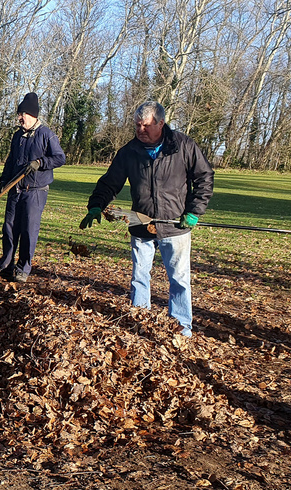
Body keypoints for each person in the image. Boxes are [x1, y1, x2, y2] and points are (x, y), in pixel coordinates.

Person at [80, 100, 213, 337]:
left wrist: (194, 211)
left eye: (146, 126)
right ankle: (139, 320)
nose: (140, 130)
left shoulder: (183, 146)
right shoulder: (129, 151)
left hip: (175, 225)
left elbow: (204, 177)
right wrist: (96, 205)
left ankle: (181, 327)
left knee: (179, 279)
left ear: (160, 124)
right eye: (137, 125)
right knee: (139, 276)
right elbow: (111, 182)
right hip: (141, 223)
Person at [0, 92, 66, 282]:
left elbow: (60, 158)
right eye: (19, 114)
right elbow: (10, 161)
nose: (19, 118)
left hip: (35, 192)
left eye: (22, 114)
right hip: (14, 189)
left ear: (33, 115)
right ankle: (6, 265)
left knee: (29, 231)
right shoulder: (17, 137)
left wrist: (40, 162)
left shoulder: (46, 134)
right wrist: (3, 181)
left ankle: (23, 269)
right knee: (9, 228)